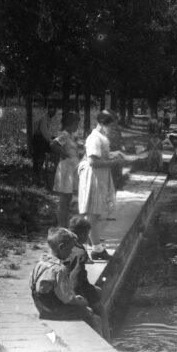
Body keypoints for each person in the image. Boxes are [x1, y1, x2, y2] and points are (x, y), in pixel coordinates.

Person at [77, 110, 130, 261]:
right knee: (92, 213)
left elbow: (100, 156)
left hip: (98, 177)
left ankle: (92, 244)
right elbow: (93, 161)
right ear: (103, 124)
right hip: (93, 176)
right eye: (111, 125)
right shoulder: (94, 138)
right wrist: (113, 162)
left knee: (95, 212)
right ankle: (96, 249)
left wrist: (113, 155)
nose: (113, 129)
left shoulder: (101, 137)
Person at [28, 227, 101, 332]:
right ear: (62, 247)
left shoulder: (41, 263)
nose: (71, 252)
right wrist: (80, 301)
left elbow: (32, 284)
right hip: (55, 311)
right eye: (70, 248)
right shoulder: (59, 270)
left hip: (41, 307)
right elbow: (68, 298)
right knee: (94, 317)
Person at [50, 112, 81, 228]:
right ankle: (61, 226)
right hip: (66, 169)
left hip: (72, 169)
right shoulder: (64, 135)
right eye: (76, 124)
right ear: (69, 124)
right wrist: (64, 154)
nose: (77, 126)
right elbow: (53, 144)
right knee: (64, 200)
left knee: (68, 199)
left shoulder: (70, 135)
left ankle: (64, 225)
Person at [32, 103, 57, 176]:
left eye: (54, 111)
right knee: (39, 156)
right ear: (49, 111)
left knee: (41, 156)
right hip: (38, 139)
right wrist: (51, 141)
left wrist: (53, 137)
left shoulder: (48, 119)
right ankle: (37, 173)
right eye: (52, 111)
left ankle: (39, 171)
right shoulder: (44, 119)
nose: (54, 113)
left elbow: (48, 132)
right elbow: (44, 132)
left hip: (41, 138)